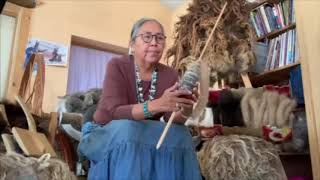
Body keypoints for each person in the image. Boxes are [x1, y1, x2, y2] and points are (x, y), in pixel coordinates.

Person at [78, 17, 202, 180]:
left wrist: (184, 107)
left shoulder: (170, 73)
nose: (154, 42)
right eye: (147, 36)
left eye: (159, 38)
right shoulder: (117, 65)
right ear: (132, 44)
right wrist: (158, 104)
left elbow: (171, 119)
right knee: (128, 129)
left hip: (144, 132)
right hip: (107, 131)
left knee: (182, 134)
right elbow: (114, 112)